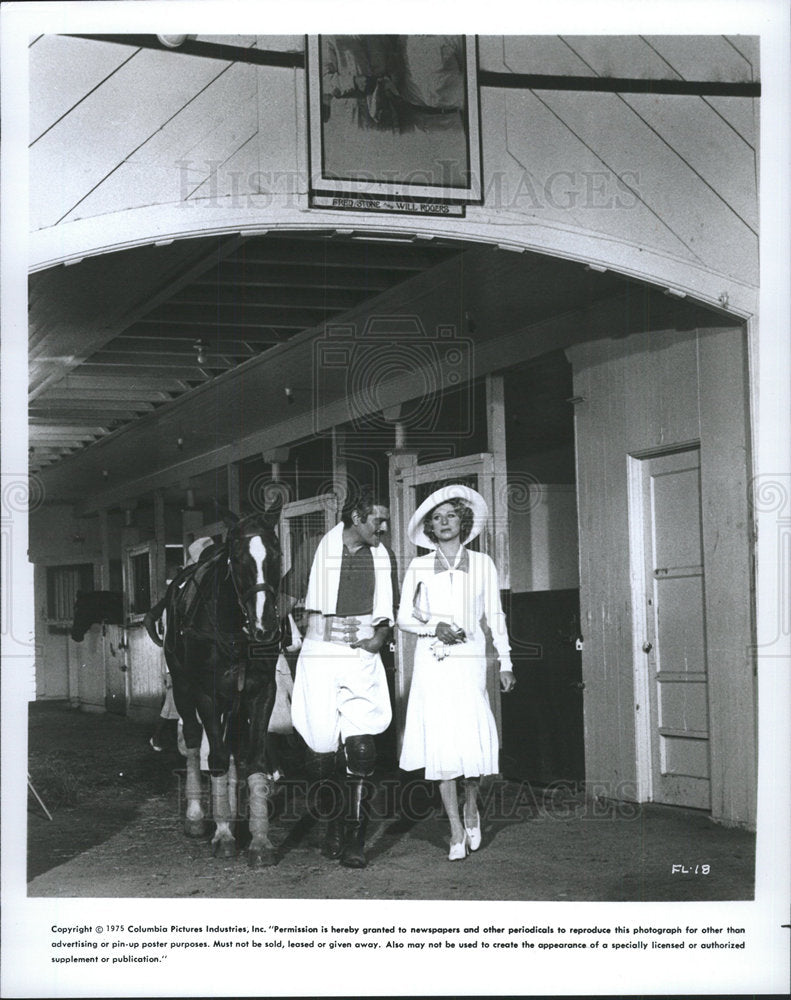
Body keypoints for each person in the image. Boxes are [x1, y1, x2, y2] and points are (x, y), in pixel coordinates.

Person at [398, 484, 516, 861]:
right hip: (433, 664)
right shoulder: (419, 566)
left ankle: (470, 806)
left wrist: (507, 661)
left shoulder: (482, 564)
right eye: (437, 517)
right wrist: (435, 627)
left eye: (450, 515)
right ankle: (453, 830)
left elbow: (494, 616)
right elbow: (404, 617)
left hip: (469, 664)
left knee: (470, 745)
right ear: (429, 527)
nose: (444, 522)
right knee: (442, 747)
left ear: (462, 521)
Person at [290, 486, 396, 868]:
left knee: (362, 750)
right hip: (319, 654)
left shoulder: (383, 556)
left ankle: (355, 839)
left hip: (360, 657)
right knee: (320, 754)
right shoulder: (313, 550)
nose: (383, 528)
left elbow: (389, 613)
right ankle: (333, 823)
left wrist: (378, 639)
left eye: (384, 520)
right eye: (378, 520)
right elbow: (284, 598)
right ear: (357, 518)